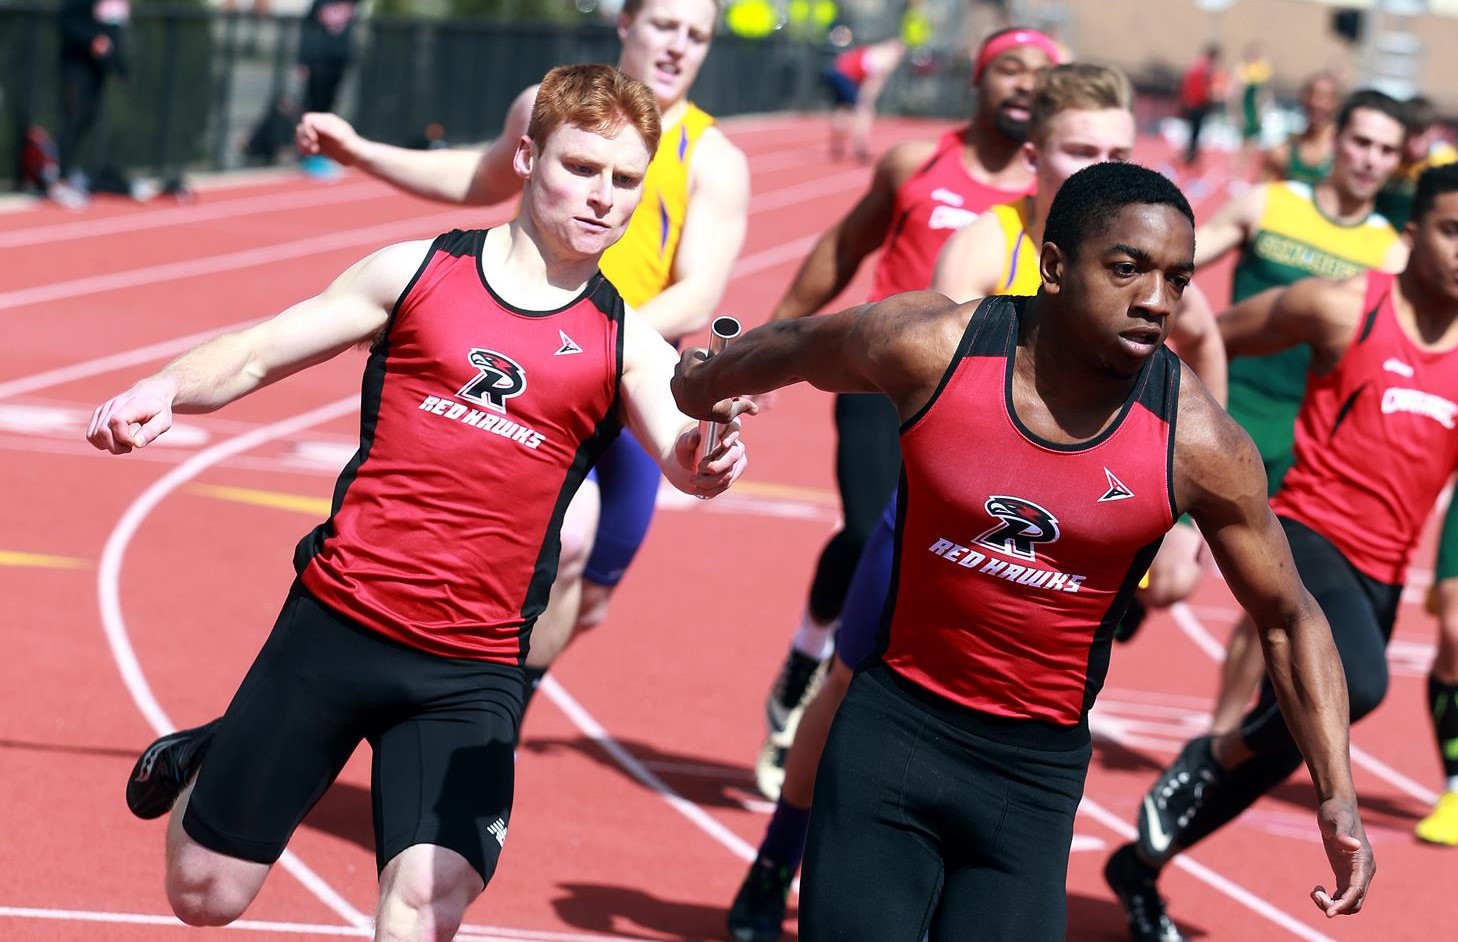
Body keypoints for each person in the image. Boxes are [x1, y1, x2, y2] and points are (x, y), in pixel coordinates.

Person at [88, 64, 749, 942]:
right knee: (204, 895)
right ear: (527, 157)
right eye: (582, 167)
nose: (603, 196)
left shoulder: (626, 341)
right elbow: (257, 353)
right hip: (337, 624)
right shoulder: (417, 273)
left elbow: (685, 458)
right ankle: (212, 755)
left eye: (626, 180)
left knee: (429, 897)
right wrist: (166, 387)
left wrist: (711, 451)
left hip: (472, 669)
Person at [675, 161, 1372, 942]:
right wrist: (700, 386)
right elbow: (803, 345)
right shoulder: (934, 348)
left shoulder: (1198, 443)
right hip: (891, 740)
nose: (1155, 300)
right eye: (1127, 268)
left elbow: (1288, 618)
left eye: (1177, 279)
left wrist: (1336, 791)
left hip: (1031, 786)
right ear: (1054, 267)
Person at [722, 63, 1220, 942]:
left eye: (1115, 151)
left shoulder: (1147, 268)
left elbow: (1204, 353)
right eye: (1079, 149)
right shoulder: (989, 246)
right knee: (853, 682)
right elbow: (940, 358)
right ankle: (774, 866)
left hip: (1065, 533)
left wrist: (1180, 522)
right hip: (952, 517)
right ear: (1036, 156)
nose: (1098, 167)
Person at [296, 0, 750, 713]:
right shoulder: (549, 106)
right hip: (529, 376)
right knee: (553, 547)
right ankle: (472, 716)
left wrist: (598, 339)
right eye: (664, 25)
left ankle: (487, 702)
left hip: (632, 387)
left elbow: (699, 294)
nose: (677, 47)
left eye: (696, 36)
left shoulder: (713, 158)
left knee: (590, 595)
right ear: (625, 24)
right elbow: (480, 177)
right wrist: (361, 152)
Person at [1106, 162, 1458, 942]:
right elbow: (1208, 336)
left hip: (1384, 571)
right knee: (1356, 686)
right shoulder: (1341, 306)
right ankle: (1215, 751)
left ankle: (1139, 866)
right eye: (1451, 231)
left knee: (1292, 741)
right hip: (1307, 535)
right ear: (1412, 235)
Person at [755, 26, 1063, 799]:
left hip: (982, 408)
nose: (1025, 84)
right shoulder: (915, 164)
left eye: (1041, 73)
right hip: (882, 381)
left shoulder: (1060, 202)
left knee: (934, 569)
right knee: (870, 533)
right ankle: (809, 658)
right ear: (978, 81)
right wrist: (769, 343)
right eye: (1010, 68)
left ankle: (872, 727)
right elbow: (842, 247)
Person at [1193, 87, 1407, 734]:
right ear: (1334, 140)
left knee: (1270, 600)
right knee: (1160, 577)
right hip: (1219, 412)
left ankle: (1217, 739)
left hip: (1302, 444)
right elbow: (1177, 260)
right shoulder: (1270, 203)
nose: (1369, 159)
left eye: (1386, 150)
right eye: (1361, 141)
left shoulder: (1391, 254)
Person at [54, 0, 130, 208]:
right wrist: (92, 39)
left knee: (87, 119)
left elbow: (113, 34)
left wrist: (120, 67)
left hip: (97, 69)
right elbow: (67, 21)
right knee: (74, 118)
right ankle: (60, 180)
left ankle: (70, 173)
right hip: (77, 66)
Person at [296, 0, 362, 178]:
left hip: (339, 62)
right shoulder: (320, 3)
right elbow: (308, 28)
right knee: (314, 110)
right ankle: (311, 155)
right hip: (319, 62)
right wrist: (303, 60)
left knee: (330, 109)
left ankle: (324, 154)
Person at [1376, 95, 1458, 230]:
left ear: (1433, 131)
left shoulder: (1445, 161)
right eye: (1410, 135)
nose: (1414, 143)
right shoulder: (1388, 159)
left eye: (1420, 134)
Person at [823, 36, 905, 162]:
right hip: (846, 76)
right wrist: (867, 100)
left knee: (844, 110)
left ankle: (837, 143)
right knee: (864, 112)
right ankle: (860, 147)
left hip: (837, 73)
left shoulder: (876, 50)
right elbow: (874, 82)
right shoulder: (886, 58)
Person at [1263, 71, 1341, 186]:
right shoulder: (1283, 152)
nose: (1315, 103)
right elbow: (1265, 192)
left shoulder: (1342, 153)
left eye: (1324, 97)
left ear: (1336, 103)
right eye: (1311, 94)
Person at [1178, 44, 1225, 169]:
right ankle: (1191, 156)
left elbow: (1186, 83)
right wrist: (1212, 97)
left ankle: (1189, 154)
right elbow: (1205, 89)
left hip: (1191, 102)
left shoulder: (1195, 65)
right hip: (1199, 103)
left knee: (1192, 131)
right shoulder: (1207, 69)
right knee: (1196, 131)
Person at [1231, 42, 1272, 185]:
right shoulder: (1242, 71)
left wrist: (1263, 111)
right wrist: (1237, 114)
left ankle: (1242, 175)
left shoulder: (1261, 70)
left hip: (1255, 112)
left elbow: (1264, 93)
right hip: (1246, 111)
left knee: (1251, 146)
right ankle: (1236, 174)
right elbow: (1236, 95)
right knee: (1243, 145)